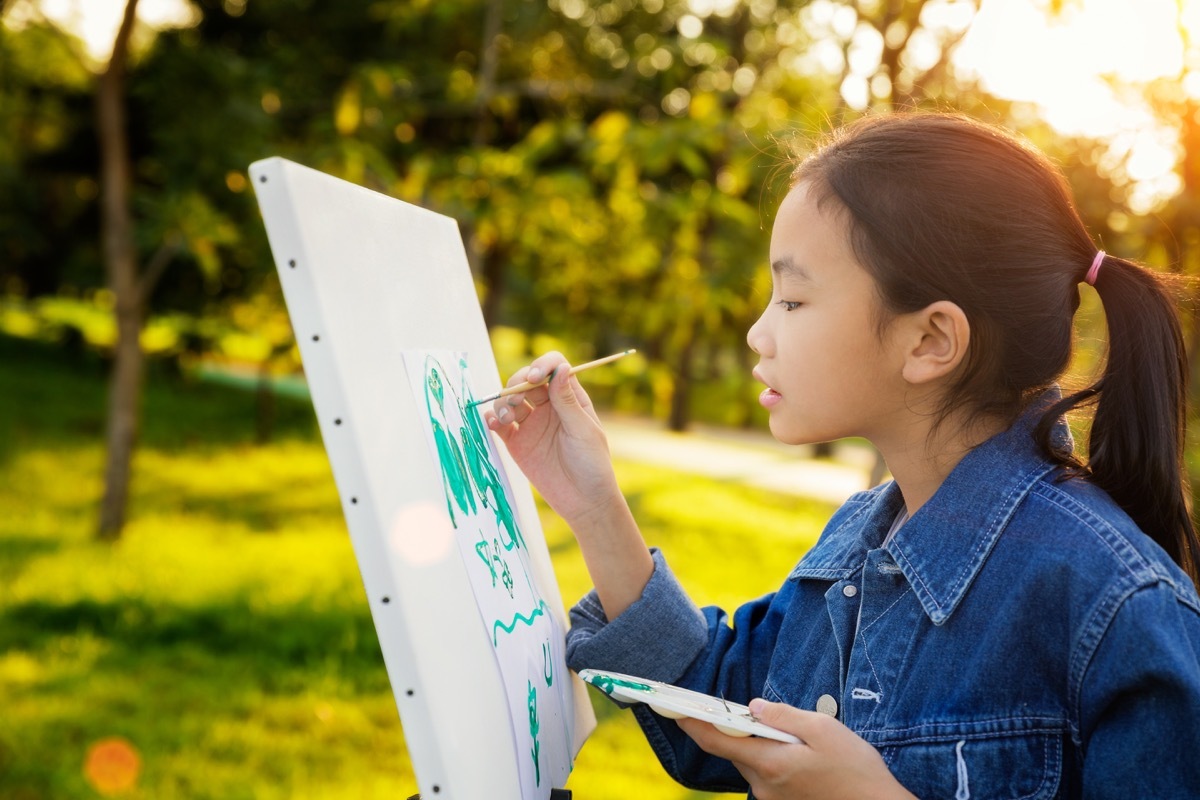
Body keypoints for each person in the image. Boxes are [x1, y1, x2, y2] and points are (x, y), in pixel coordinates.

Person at [484, 113, 1200, 799]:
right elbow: (723, 701)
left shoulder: (1115, 606)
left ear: (929, 342)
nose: (758, 335)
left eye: (792, 300)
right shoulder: (860, 540)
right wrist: (593, 500)